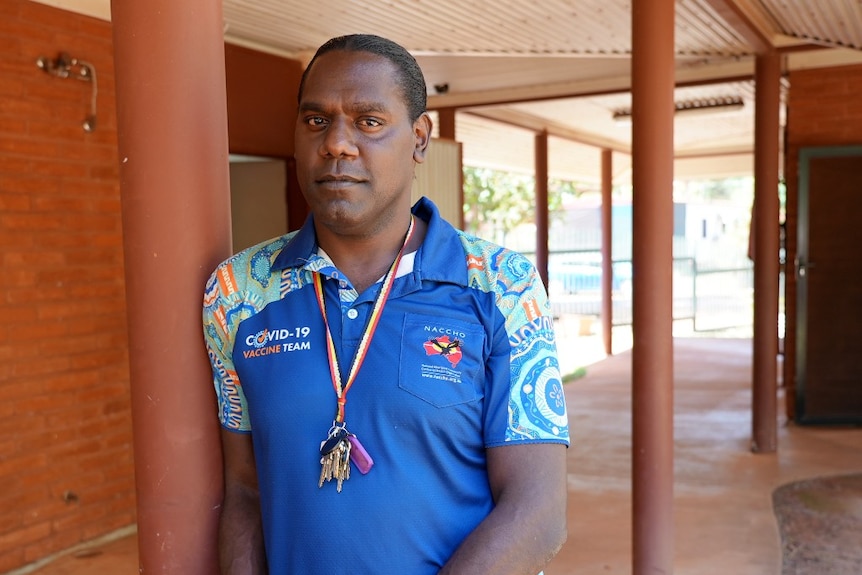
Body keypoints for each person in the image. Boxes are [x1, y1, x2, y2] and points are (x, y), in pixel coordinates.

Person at [203, 33, 569, 575]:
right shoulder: (237, 293)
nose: (337, 144)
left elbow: (537, 512)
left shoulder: (501, 287)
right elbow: (245, 492)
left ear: (419, 138)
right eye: (316, 121)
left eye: (368, 121)